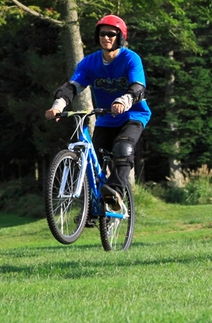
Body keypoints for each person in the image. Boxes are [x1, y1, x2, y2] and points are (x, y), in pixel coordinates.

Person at [45, 15, 151, 211]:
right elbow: (73, 86)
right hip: (106, 119)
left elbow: (138, 87)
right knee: (92, 166)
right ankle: (92, 210)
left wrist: (122, 101)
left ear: (120, 37)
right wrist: (58, 106)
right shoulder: (89, 62)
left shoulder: (130, 58)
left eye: (112, 34)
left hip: (133, 116)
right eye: (103, 34)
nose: (106, 37)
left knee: (123, 149)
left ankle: (116, 191)